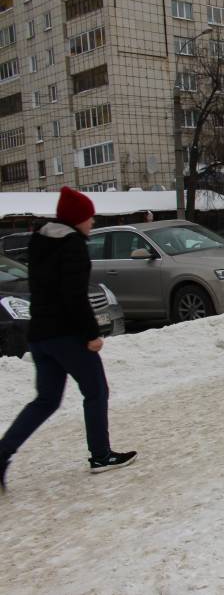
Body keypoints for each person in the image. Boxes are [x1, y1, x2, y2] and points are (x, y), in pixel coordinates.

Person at [0, 187, 136, 491]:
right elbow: (74, 296)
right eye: (89, 217)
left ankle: (2, 453)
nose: (92, 223)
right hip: (67, 335)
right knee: (96, 391)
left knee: (46, 400)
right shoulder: (72, 245)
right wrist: (90, 334)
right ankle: (100, 456)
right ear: (77, 219)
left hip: (40, 335)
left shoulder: (40, 241)